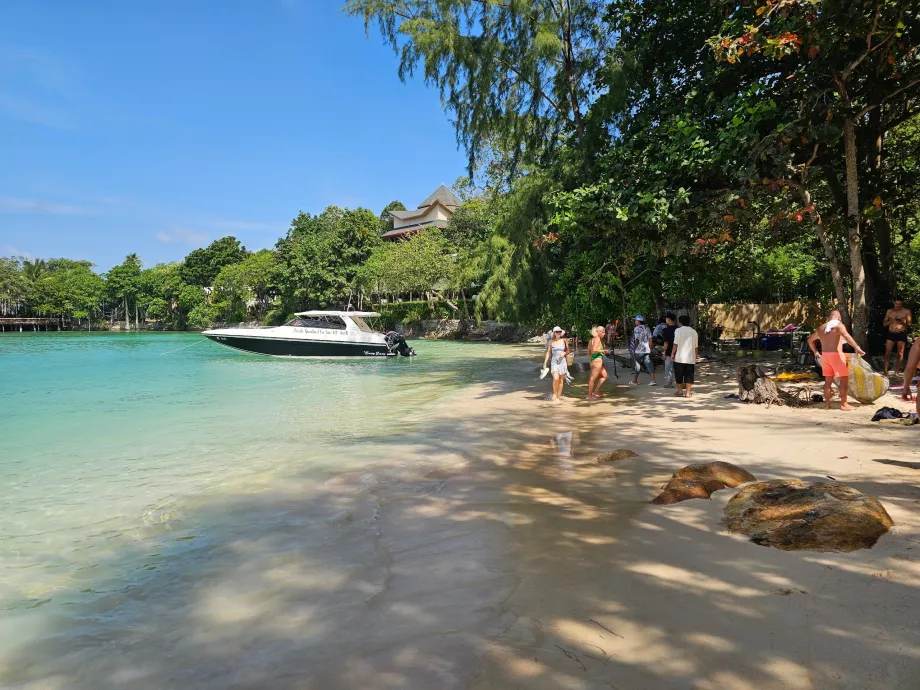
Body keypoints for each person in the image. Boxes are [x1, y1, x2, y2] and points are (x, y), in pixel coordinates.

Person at [807, 309, 866, 411]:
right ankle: (844, 405)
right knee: (843, 380)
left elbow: (809, 340)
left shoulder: (821, 328)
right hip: (837, 355)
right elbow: (847, 337)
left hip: (825, 356)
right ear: (838, 317)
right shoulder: (838, 326)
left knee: (828, 381)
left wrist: (815, 352)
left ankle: (827, 405)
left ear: (829, 317)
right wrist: (857, 347)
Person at [671, 314, 699, 398]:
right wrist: (696, 355)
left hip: (679, 357)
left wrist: (672, 353)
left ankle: (680, 391)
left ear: (680, 323)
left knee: (678, 374)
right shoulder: (694, 331)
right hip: (690, 357)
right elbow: (696, 346)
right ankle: (688, 393)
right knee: (689, 374)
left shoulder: (678, 331)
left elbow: (675, 344)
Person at [883, 297, 912, 377]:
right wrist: (891, 321)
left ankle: (896, 371)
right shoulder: (889, 311)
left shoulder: (906, 311)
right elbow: (884, 324)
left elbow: (909, 324)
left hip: (901, 333)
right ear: (893, 302)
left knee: (900, 353)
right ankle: (885, 370)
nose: (898, 306)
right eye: (896, 304)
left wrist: (902, 322)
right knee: (887, 353)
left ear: (902, 304)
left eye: (900, 304)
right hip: (891, 333)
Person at [543, 326, 570, 401]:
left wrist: (564, 353)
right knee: (556, 378)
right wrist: (545, 363)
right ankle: (555, 393)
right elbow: (548, 353)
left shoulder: (564, 340)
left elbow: (568, 350)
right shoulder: (551, 342)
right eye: (557, 332)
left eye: (560, 332)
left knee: (561, 380)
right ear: (554, 333)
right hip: (554, 362)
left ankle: (558, 396)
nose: (558, 333)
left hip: (563, 362)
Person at [629, 315, 657, 386]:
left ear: (638, 321)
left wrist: (634, 349)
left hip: (639, 350)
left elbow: (637, 340)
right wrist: (650, 347)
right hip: (646, 349)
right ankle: (653, 380)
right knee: (649, 364)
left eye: (635, 320)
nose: (635, 322)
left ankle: (635, 381)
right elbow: (650, 339)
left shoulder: (636, 329)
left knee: (637, 365)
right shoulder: (647, 328)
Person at [587, 325, 609, 399]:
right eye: (603, 332)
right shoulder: (597, 339)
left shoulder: (592, 340)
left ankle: (596, 391)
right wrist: (604, 351)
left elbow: (589, 352)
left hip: (594, 361)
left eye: (604, 332)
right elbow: (594, 350)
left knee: (604, 375)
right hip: (597, 362)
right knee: (592, 379)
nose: (604, 333)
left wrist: (590, 361)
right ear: (598, 332)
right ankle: (590, 396)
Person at [661, 313, 678, 388]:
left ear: (668, 319)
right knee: (678, 368)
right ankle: (680, 383)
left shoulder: (665, 330)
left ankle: (668, 383)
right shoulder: (678, 329)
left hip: (668, 352)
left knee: (668, 368)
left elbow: (666, 343)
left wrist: (664, 353)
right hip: (678, 351)